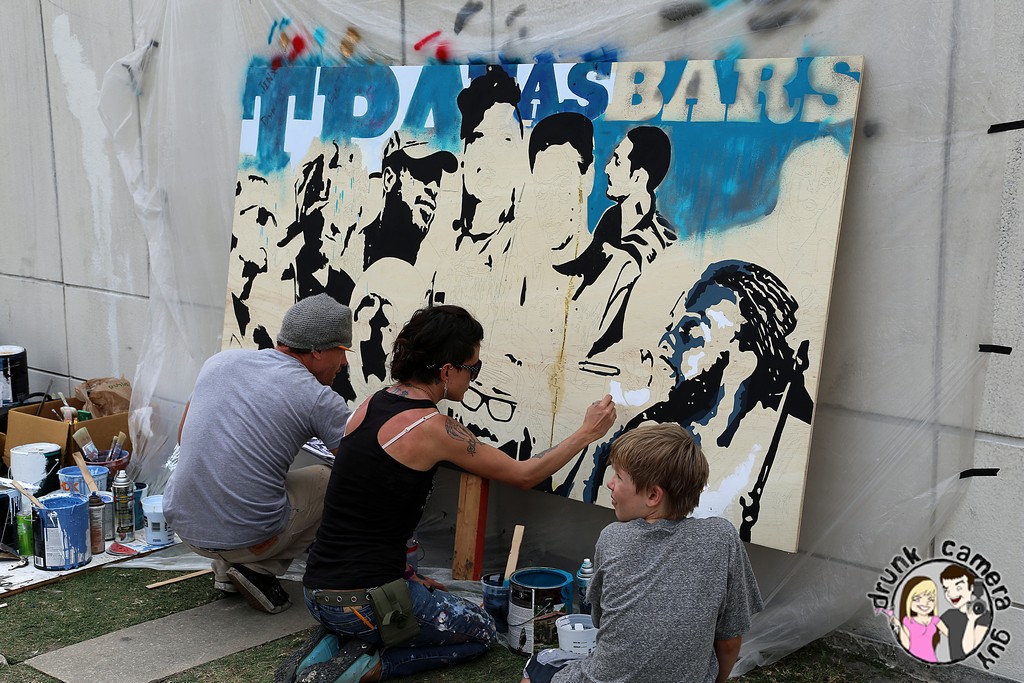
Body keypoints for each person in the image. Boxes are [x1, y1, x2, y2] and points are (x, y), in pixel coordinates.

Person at [290, 304, 616, 683]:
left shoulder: (375, 402)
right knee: (480, 631)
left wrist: (405, 574)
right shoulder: (433, 428)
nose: (474, 378)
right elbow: (525, 474)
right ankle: (366, 667)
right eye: (473, 368)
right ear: (447, 371)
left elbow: (368, 508)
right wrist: (587, 432)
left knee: (428, 607)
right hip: (363, 601)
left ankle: (336, 640)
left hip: (318, 591)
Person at [521, 423, 762, 683]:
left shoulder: (613, 537)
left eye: (619, 477)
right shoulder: (723, 537)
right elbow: (729, 640)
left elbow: (601, 621)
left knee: (539, 664)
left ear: (653, 495)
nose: (610, 484)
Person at [164, 293, 354, 614]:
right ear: (318, 351)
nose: (344, 363)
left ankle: (226, 572)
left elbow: (184, 437)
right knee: (327, 478)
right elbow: (358, 467)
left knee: (254, 478)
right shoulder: (317, 397)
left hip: (185, 529)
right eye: (342, 351)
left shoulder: (219, 362)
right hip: (251, 539)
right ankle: (258, 569)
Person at [555, 126, 676, 358]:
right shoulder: (612, 218)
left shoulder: (658, 241)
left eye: (617, 162)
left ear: (638, 177)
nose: (608, 168)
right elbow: (584, 269)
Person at [360, 132, 458, 270]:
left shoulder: (435, 272)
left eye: (438, 179)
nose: (434, 188)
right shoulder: (353, 255)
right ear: (389, 179)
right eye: (423, 174)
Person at [889, 576, 948, 663]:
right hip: (912, 659)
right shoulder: (908, 621)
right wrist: (898, 626)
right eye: (917, 599)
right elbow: (906, 645)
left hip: (930, 659)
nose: (925, 603)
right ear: (909, 600)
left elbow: (950, 635)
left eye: (931, 599)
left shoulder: (935, 620)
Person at [939, 564, 990, 661]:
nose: (951, 594)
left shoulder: (983, 616)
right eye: (947, 589)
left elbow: (968, 650)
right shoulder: (949, 614)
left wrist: (971, 620)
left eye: (958, 588)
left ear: (971, 587)